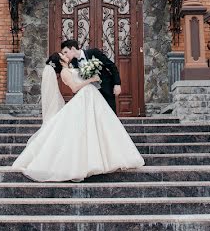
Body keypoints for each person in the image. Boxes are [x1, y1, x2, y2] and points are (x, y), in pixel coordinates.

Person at [12, 50, 144, 182]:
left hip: (90, 95)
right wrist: (91, 79)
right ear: (61, 61)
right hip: (83, 97)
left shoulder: (71, 68)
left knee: (100, 126)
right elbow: (74, 88)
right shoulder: (64, 72)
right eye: (62, 55)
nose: (65, 55)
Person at [62, 39, 121, 113]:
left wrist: (117, 83)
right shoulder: (73, 63)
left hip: (105, 89)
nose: (65, 55)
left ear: (73, 49)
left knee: (110, 115)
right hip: (91, 95)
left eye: (66, 52)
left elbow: (111, 66)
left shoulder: (93, 53)